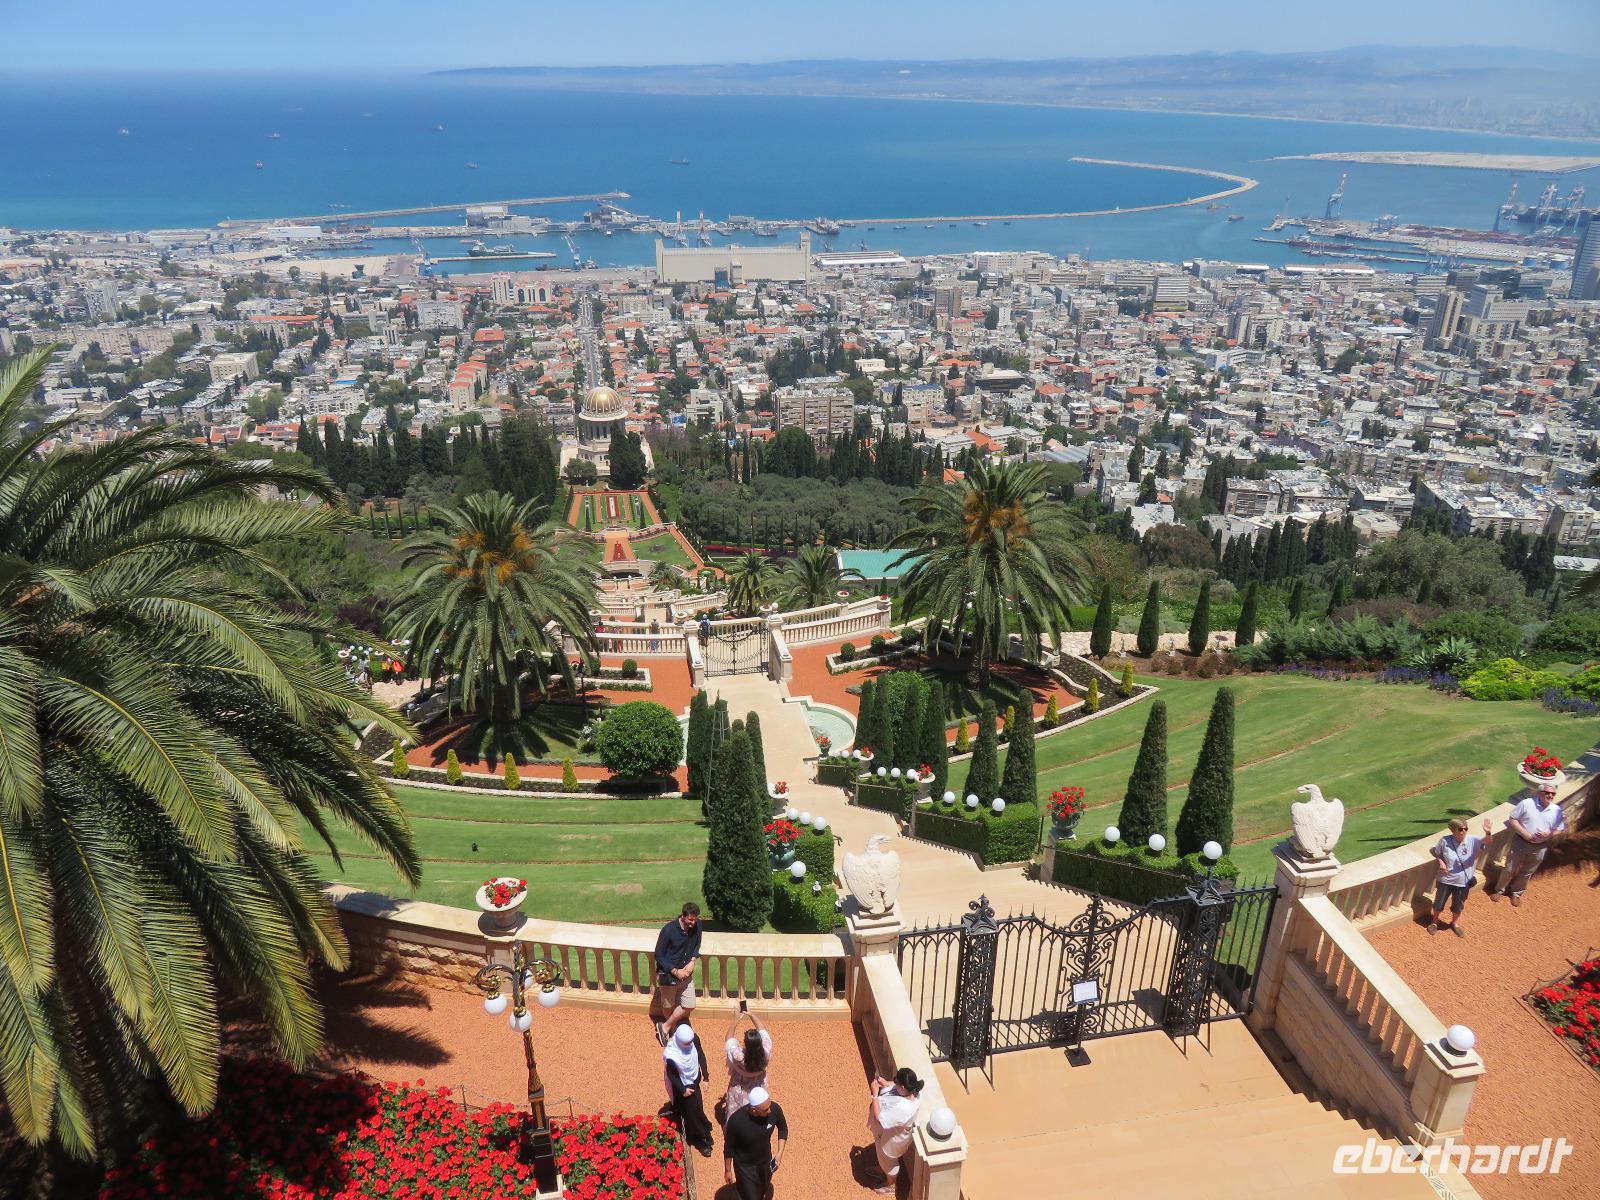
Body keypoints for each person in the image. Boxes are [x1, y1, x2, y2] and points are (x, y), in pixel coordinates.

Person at [1490, 784, 1567, 907]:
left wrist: (1548, 834)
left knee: (1527, 871)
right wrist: (1525, 834)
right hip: (1520, 842)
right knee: (1509, 868)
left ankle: (1516, 893)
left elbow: (1560, 828)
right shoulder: (1526, 804)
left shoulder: (1556, 810)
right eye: (1547, 792)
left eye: (1553, 794)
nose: (1550, 795)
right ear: (1540, 792)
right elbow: (1513, 819)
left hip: (1540, 847)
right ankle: (1499, 890)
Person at [866, 1067, 924, 1194]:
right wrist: (887, 1083)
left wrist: (874, 1094)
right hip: (890, 1135)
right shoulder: (914, 1090)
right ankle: (882, 1169)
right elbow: (897, 1086)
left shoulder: (902, 1109)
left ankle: (890, 1185)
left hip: (890, 1143)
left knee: (889, 1164)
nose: (894, 1083)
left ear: (902, 1087)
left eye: (896, 1082)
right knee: (883, 1160)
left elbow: (879, 1118)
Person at [724, 1086, 787, 1200]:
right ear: (754, 1110)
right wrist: (728, 1170)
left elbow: (783, 1129)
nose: (770, 1111)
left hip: (765, 1161)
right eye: (765, 1110)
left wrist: (780, 1153)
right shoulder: (736, 1121)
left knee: (763, 1189)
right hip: (745, 1167)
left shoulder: (774, 1109)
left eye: (769, 1106)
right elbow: (729, 1148)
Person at [1427, 818, 1487, 938]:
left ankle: (1454, 923)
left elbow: (1487, 842)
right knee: (1439, 902)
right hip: (1446, 879)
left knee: (1458, 905)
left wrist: (1488, 832)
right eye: (1460, 829)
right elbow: (1435, 851)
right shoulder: (1445, 841)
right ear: (1453, 830)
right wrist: (1441, 862)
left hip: (1463, 882)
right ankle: (1434, 922)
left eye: (1466, 828)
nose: (1464, 831)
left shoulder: (1473, 840)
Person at [651, 902, 701, 1042]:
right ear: (683, 916)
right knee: (667, 1006)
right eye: (690, 920)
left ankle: (665, 1026)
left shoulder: (698, 925)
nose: (693, 922)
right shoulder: (668, 930)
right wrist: (675, 971)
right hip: (668, 975)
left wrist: (692, 961)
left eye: (695, 919)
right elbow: (659, 955)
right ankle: (672, 1030)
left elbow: (697, 943)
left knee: (689, 1004)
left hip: (686, 974)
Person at [664, 1023, 714, 1157]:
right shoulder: (672, 1055)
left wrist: (705, 1077)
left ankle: (701, 1135)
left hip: (693, 1081)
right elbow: (672, 1075)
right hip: (684, 1085)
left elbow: (701, 1055)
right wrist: (682, 1090)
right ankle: (701, 1139)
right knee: (693, 1113)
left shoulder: (693, 1039)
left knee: (695, 1110)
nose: (691, 1044)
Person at [722, 1005, 772, 1116]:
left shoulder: (739, 1056)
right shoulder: (766, 1053)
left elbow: (729, 1038)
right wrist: (751, 1014)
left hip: (740, 1088)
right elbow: (763, 1031)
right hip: (759, 1085)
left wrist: (736, 1018)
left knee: (737, 1114)